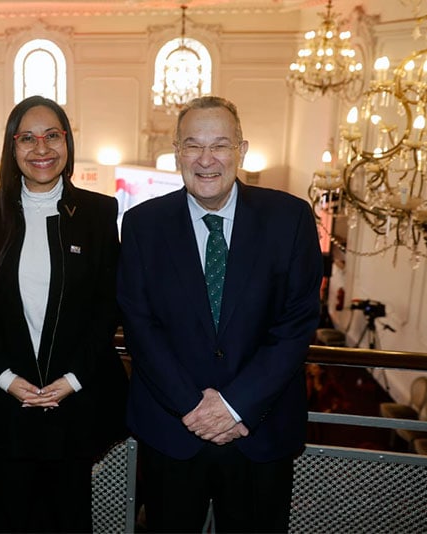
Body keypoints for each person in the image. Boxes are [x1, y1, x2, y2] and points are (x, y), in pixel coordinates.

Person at [117, 96, 322, 533]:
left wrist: (233, 406)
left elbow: (296, 323)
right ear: (177, 153)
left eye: (220, 145)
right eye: (192, 145)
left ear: (241, 151)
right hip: (172, 432)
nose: (206, 159)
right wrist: (194, 407)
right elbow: (139, 325)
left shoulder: (290, 219)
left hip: (258, 432)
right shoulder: (141, 225)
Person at [0, 95, 128, 533]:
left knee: (71, 518)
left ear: (67, 142)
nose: (41, 148)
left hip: (74, 400)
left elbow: (107, 305)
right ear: (12, 148)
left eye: (52, 135)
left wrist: (70, 381)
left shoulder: (98, 211)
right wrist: (6, 379)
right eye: (27, 138)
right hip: (8, 401)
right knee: (12, 519)